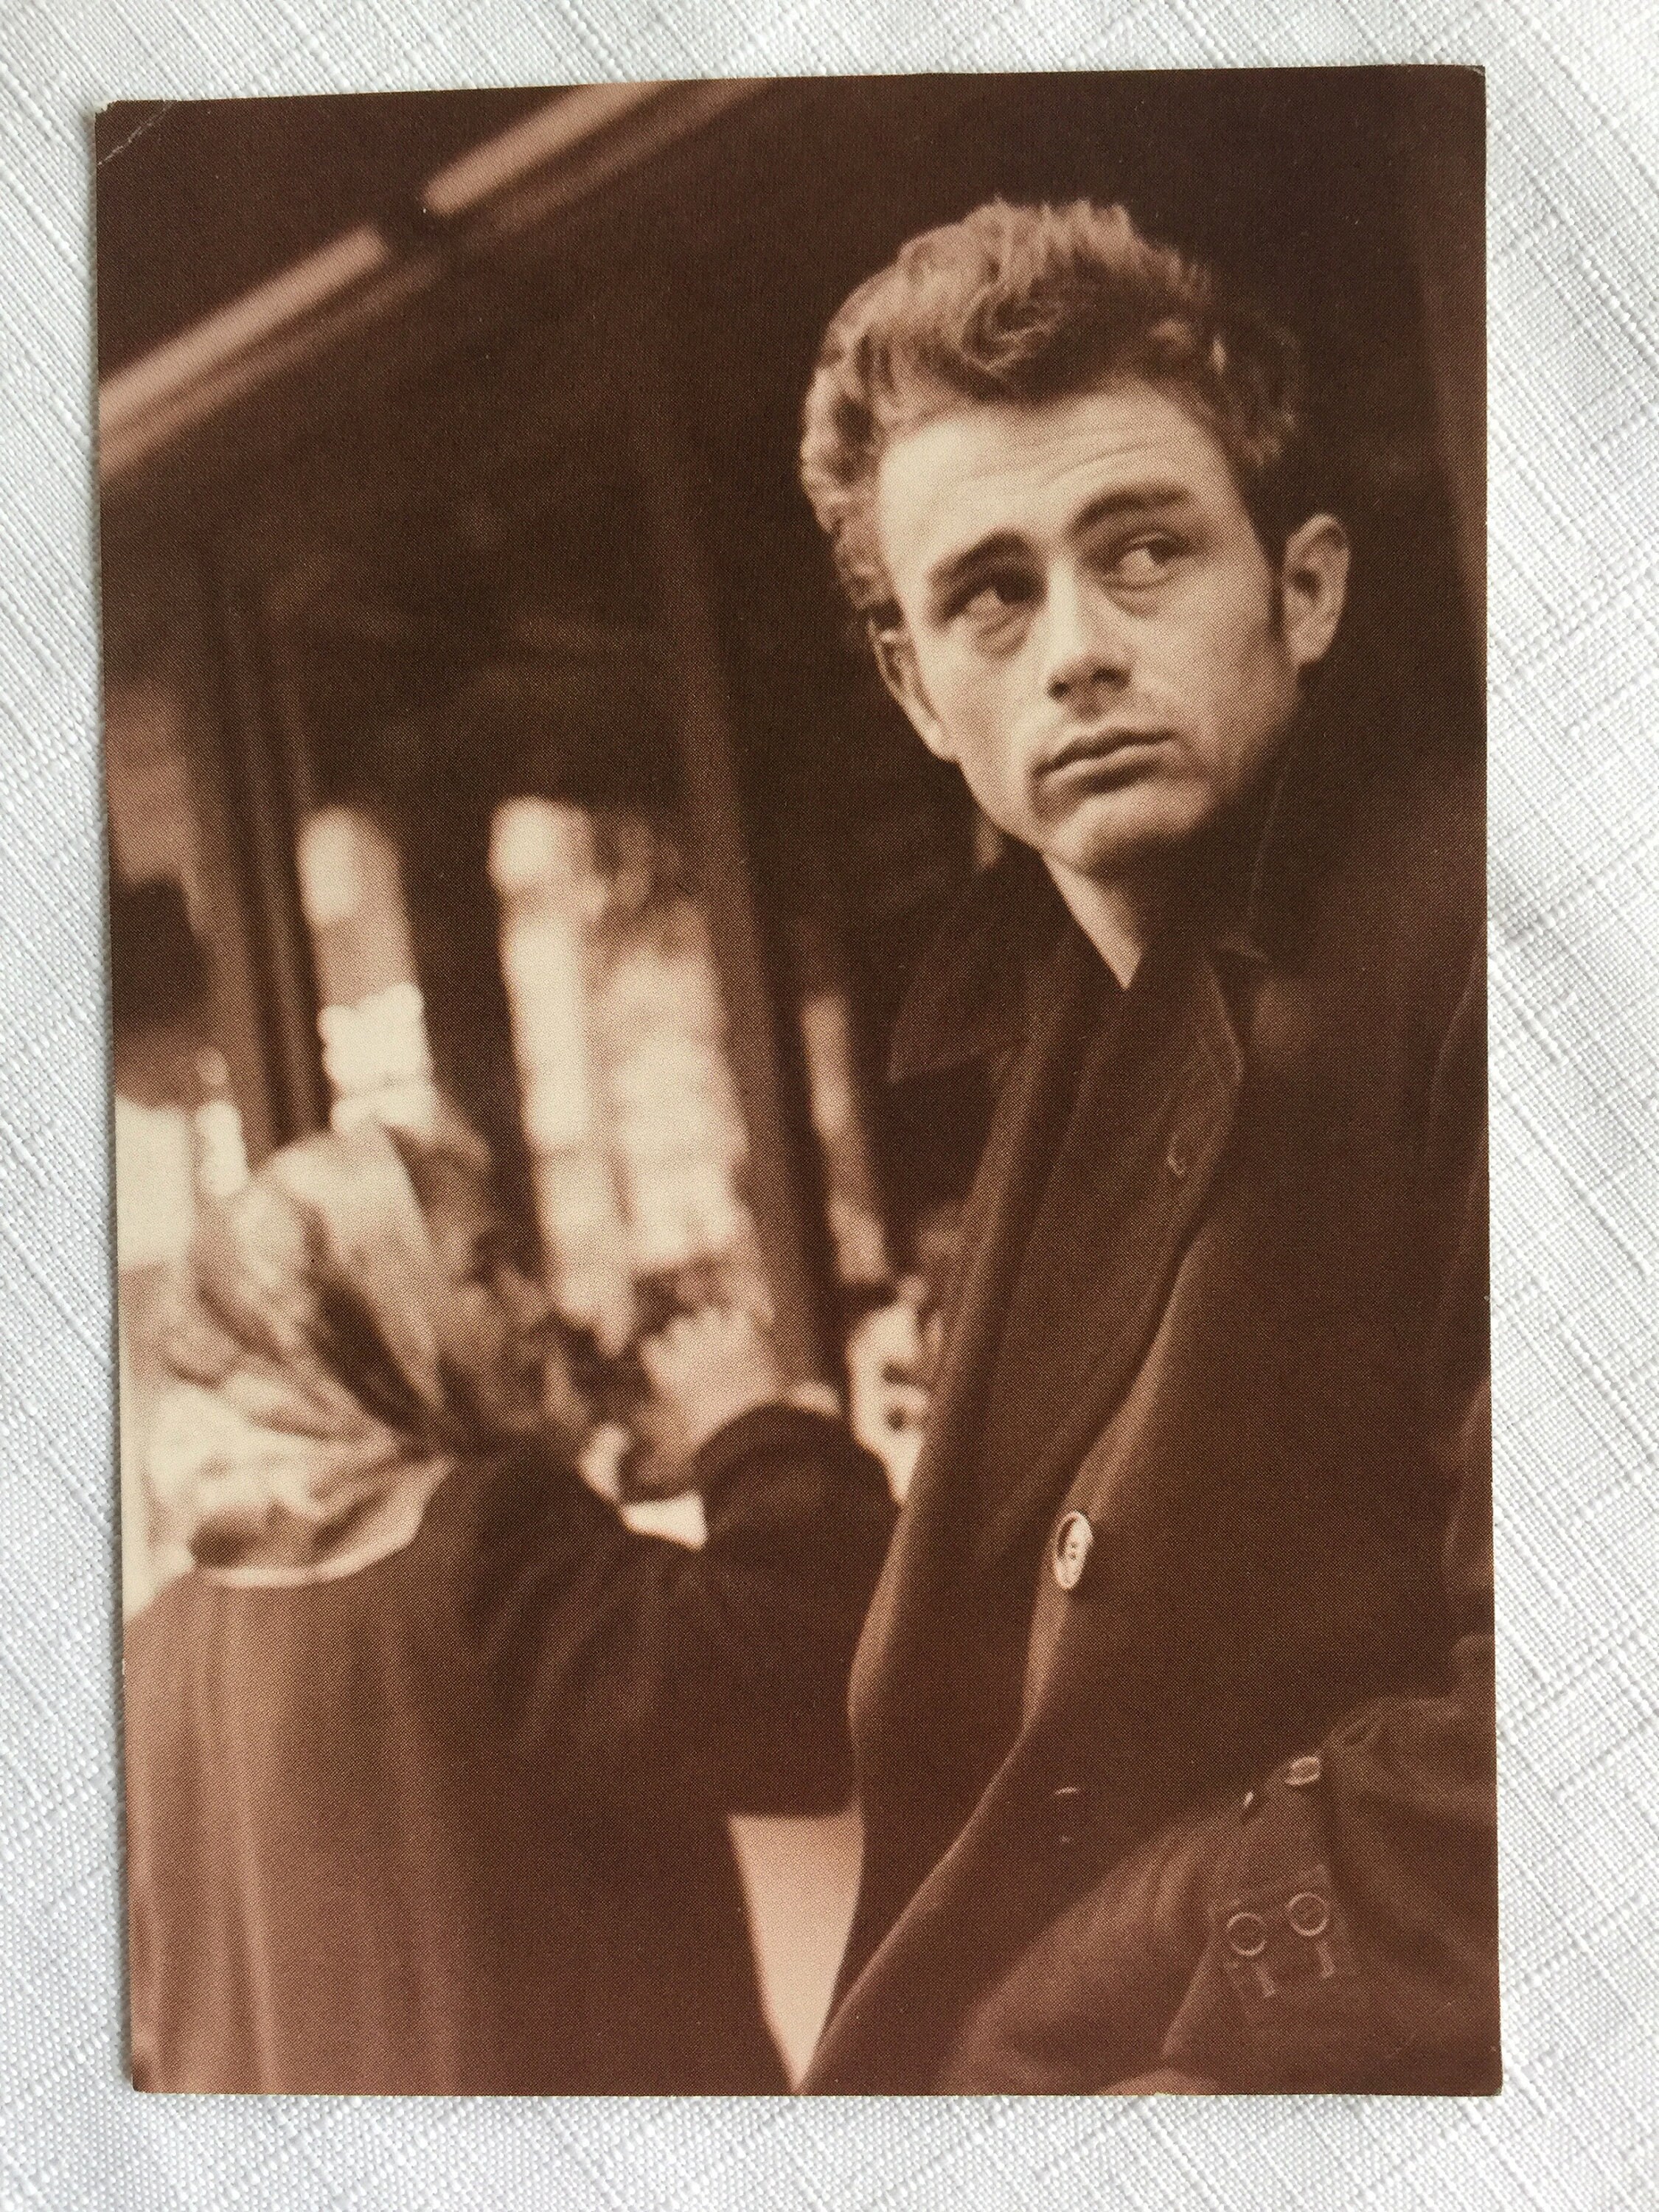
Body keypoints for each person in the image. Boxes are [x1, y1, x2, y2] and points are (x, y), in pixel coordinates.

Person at [794, 199, 1496, 2093]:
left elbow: (1588, 1723)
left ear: (1308, 590)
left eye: (1145, 550)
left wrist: (1111, 1992)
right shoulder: (1063, 1035)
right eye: (990, 594)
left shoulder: (1489, 948)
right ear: (913, 686)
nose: (1078, 653)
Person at [122, 1116, 894, 2093]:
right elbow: (799, 1699)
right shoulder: (483, 1545)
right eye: (484, 1271)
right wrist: (754, 1424)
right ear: (365, 1318)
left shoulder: (157, 1647)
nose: (535, 1303)